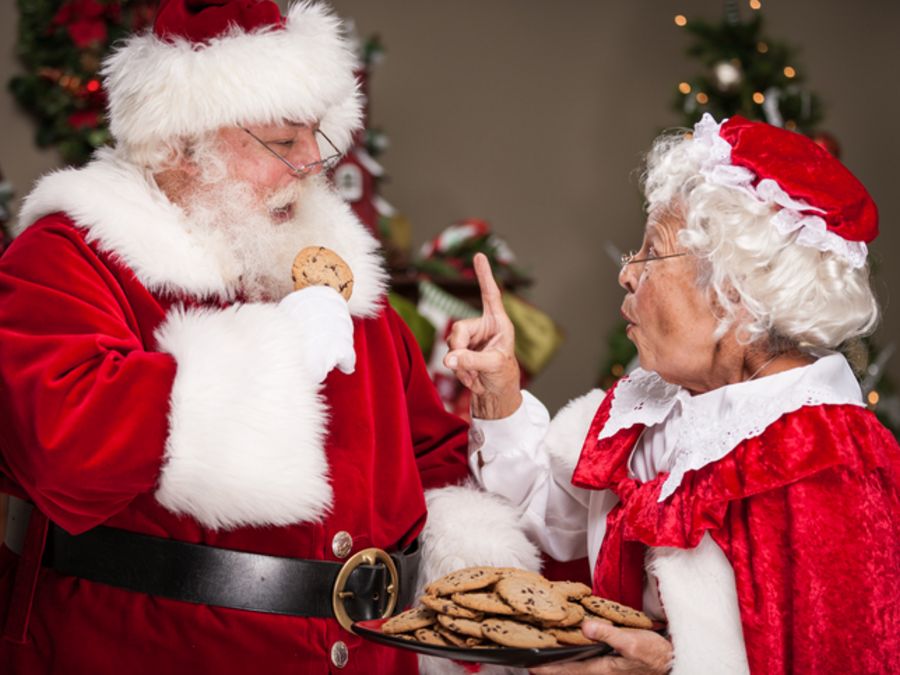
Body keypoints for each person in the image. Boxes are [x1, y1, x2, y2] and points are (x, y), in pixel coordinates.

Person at [0, 2, 539, 673]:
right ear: (179, 144)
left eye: (316, 135)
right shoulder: (69, 257)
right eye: (283, 142)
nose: (313, 161)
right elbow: (64, 446)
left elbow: (427, 459)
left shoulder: (338, 284)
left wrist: (498, 415)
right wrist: (273, 350)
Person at [445, 114, 900, 674]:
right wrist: (499, 393)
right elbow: (552, 524)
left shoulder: (828, 458)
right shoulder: (654, 406)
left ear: (734, 290)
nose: (628, 273)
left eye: (651, 252)